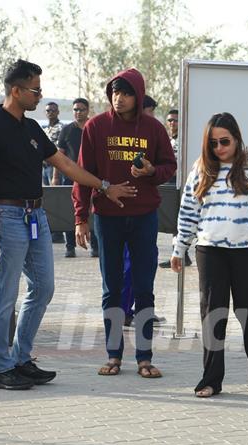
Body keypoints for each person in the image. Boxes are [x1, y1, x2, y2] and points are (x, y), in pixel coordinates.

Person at [0, 59, 135, 390]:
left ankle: (20, 358)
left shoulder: (31, 129)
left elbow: (65, 164)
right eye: (35, 90)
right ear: (15, 90)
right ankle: (0, 369)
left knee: (43, 288)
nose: (39, 96)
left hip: (36, 218)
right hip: (8, 217)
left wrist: (103, 186)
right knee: (4, 294)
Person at [171, 112, 248, 397]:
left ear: (237, 139)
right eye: (212, 143)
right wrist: (179, 248)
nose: (219, 149)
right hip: (210, 251)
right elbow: (188, 211)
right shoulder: (201, 168)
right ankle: (211, 379)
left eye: (224, 141)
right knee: (213, 313)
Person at [72, 68, 176, 378]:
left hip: (144, 218)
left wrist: (150, 174)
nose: (119, 98)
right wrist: (80, 218)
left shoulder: (154, 129)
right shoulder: (95, 127)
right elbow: (81, 174)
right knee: (111, 288)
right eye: (115, 92)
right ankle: (113, 355)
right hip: (108, 219)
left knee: (145, 287)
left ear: (138, 96)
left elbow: (168, 166)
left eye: (126, 93)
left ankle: (144, 357)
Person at [56, 98, 98, 258]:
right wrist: (55, 177)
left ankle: (95, 246)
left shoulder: (93, 128)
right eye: (75, 109)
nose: (78, 112)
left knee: (92, 210)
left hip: (90, 177)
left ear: (87, 110)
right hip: (70, 177)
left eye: (81, 109)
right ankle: (70, 247)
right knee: (70, 211)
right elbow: (60, 155)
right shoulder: (67, 130)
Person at [159, 108, 192, 269]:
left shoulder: (185, 140)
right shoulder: (168, 139)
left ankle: (182, 254)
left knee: (180, 220)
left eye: (176, 120)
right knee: (173, 221)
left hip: (182, 182)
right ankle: (180, 254)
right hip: (169, 182)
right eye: (170, 120)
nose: (172, 123)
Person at [42, 101, 62, 186]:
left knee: (54, 195)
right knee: (45, 195)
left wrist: (55, 175)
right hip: (44, 167)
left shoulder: (61, 128)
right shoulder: (44, 129)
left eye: (53, 110)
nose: (50, 112)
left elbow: (60, 151)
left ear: (58, 112)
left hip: (54, 167)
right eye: (48, 110)